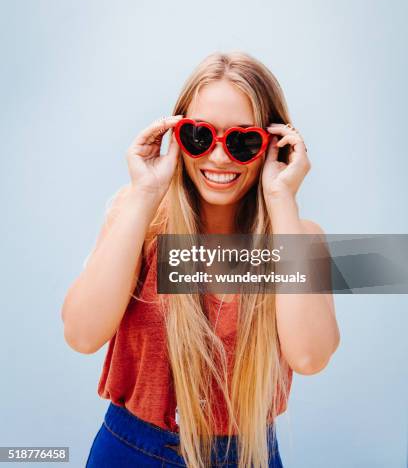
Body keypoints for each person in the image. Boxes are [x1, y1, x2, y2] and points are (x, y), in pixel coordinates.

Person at [61, 51, 340, 468]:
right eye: (200, 137)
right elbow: (81, 336)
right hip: (130, 452)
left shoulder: (300, 239)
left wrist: (282, 200)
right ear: (177, 136)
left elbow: (310, 357)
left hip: (248, 455)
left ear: (273, 147)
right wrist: (143, 194)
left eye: (243, 141)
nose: (220, 157)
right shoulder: (139, 219)